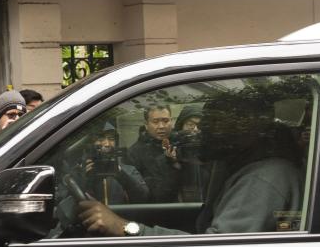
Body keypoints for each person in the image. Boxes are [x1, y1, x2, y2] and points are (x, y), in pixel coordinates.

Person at [78, 95, 303, 237]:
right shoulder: (236, 169)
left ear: (245, 131)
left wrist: (125, 228)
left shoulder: (263, 179)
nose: (202, 132)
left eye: (214, 124)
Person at [124, 104, 181, 202]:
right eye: (155, 122)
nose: (161, 126)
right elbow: (137, 192)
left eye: (165, 121)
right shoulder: (134, 153)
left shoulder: (181, 145)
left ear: (171, 121)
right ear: (146, 124)